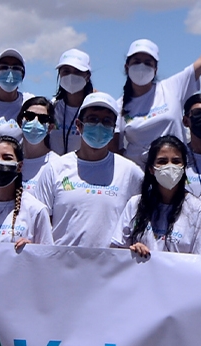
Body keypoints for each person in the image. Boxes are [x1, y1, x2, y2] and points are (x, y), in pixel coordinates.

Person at [118, 11, 201, 166]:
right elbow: (116, 150)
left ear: (155, 69)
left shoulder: (172, 87)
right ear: (127, 67)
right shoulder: (119, 106)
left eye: (147, 63)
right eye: (136, 61)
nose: (141, 66)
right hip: (140, 176)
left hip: (175, 171)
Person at [30, 92, 144, 248]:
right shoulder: (55, 169)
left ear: (113, 129)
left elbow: (145, 216)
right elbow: (38, 222)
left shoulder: (130, 172)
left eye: (106, 121)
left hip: (112, 268)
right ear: (79, 125)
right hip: (62, 266)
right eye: (92, 119)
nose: (99, 126)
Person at [112, 135, 201, 257]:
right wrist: (132, 251)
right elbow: (116, 252)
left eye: (176, 161)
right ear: (151, 168)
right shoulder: (135, 204)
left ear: (184, 168)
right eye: (162, 161)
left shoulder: (198, 210)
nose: (169, 166)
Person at [50, 48, 95, 155]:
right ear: (59, 74)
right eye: (66, 71)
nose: (71, 76)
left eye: (77, 72)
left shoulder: (95, 109)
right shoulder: (52, 108)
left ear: (87, 76)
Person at [17, 96, 58, 188]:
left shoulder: (57, 165)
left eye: (43, 119)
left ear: (50, 127)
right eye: (29, 116)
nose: (35, 122)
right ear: (20, 122)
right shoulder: (10, 161)